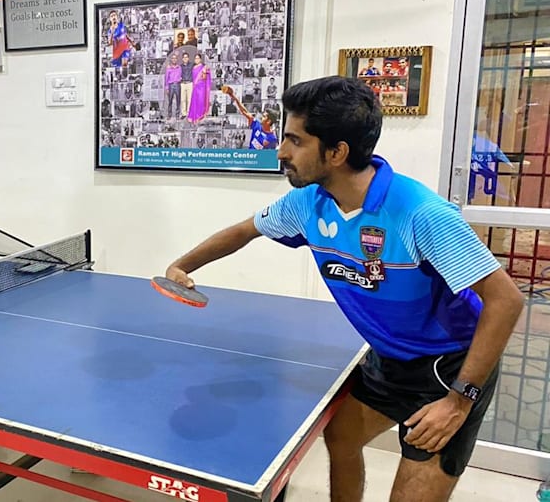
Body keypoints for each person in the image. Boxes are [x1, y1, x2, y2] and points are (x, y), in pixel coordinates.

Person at [164, 76, 523, 502]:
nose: (281, 153)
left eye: (295, 141)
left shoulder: (420, 213)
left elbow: (506, 300)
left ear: (336, 153)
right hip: (389, 359)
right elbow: (245, 231)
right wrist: (183, 265)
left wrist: (460, 401)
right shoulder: (307, 202)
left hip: (450, 369)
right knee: (341, 437)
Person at [224, 85, 278, 149]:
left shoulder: (272, 138)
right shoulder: (257, 125)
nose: (261, 118)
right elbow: (245, 111)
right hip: (250, 158)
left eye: (264, 116)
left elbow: (271, 156)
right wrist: (234, 97)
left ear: (269, 121)